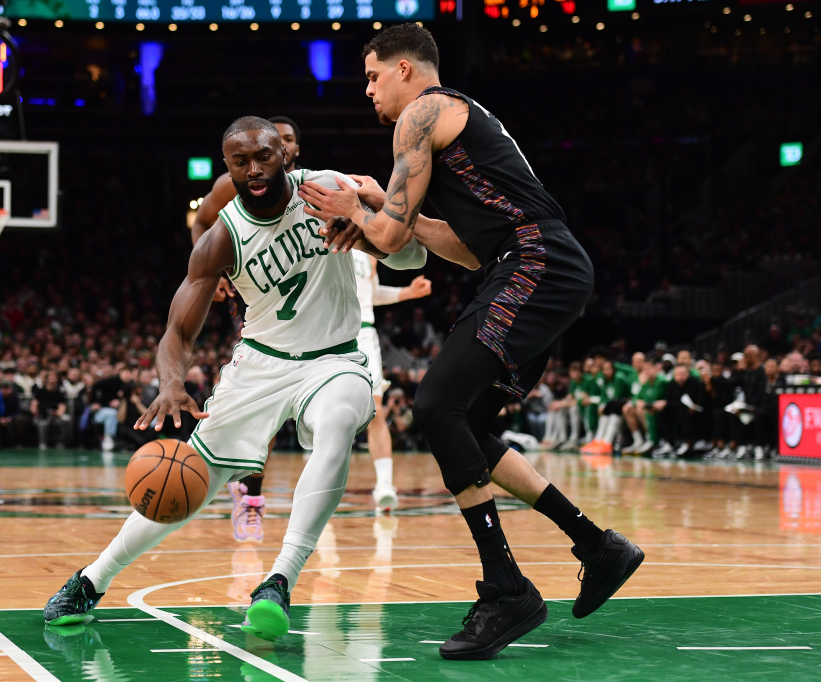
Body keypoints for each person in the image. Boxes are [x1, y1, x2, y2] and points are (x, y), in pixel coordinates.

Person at [299, 24, 643, 659]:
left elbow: (390, 237)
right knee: (470, 427)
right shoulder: (459, 118)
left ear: (405, 70)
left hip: (534, 263)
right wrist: (378, 208)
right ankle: (598, 545)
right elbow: (461, 248)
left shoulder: (420, 115)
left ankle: (507, 590)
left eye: (373, 76)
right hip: (540, 264)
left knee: (436, 404)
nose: (368, 91)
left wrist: (356, 211)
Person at [43, 117, 427, 642]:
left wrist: (364, 221)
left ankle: (278, 581)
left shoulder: (329, 189)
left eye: (264, 156)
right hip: (261, 364)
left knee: (337, 421)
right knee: (184, 478)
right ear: (227, 168)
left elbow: (413, 255)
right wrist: (171, 383)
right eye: (240, 162)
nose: (254, 169)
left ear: (284, 154)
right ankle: (92, 579)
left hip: (335, 358)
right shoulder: (221, 239)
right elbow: (178, 332)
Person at [190, 116, 302, 542]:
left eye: (288, 140)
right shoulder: (230, 186)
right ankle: (251, 494)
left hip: (308, 303)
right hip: (257, 297)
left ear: (290, 150)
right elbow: (201, 222)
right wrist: (217, 270)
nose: (282, 146)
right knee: (264, 402)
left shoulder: (314, 187)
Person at [352, 249, 431, 511]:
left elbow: (369, 293)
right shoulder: (323, 237)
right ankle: (321, 488)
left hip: (363, 333)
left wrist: (407, 292)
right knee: (329, 413)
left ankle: (384, 485)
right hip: (330, 330)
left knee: (375, 410)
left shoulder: (369, 251)